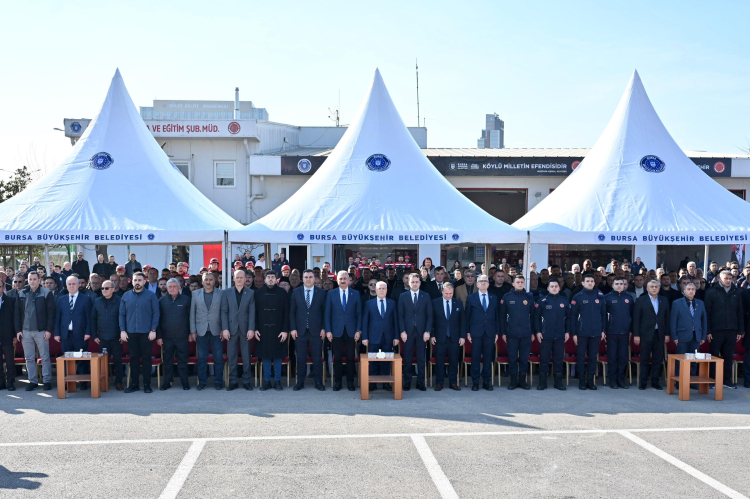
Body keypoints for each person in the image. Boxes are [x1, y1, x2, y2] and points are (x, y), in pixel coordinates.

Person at [14, 272, 56, 391]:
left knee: (45, 357)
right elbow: (17, 313)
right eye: (30, 279)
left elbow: (51, 313)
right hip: (25, 331)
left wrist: (48, 330)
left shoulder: (46, 293)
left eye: (34, 279)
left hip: (41, 331)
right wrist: (18, 330)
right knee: (29, 358)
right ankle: (33, 381)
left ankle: (47, 381)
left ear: (39, 280)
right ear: (27, 280)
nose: (32, 281)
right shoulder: (22, 293)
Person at [120, 272, 160, 393]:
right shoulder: (126, 296)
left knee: (147, 358)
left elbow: (156, 313)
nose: (137, 282)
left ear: (144, 281)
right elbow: (122, 314)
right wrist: (122, 330)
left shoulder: (151, 295)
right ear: (132, 281)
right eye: (135, 280)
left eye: (139, 280)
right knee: (134, 358)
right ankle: (135, 384)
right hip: (131, 332)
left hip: (147, 332)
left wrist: (153, 330)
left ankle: (147, 384)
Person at [704, 270, 744, 388]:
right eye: (726, 278)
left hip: (731, 330)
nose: (728, 281)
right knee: (714, 356)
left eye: (730, 279)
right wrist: (708, 331)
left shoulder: (736, 292)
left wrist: (740, 331)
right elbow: (707, 313)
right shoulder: (711, 292)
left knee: (728, 356)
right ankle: (712, 380)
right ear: (719, 279)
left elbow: (740, 312)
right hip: (716, 330)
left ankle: (727, 380)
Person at [325, 270, 362, 391]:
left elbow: (359, 314)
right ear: (337, 280)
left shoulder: (355, 294)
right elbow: (327, 314)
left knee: (351, 358)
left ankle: (350, 382)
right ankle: (338, 382)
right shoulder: (331, 294)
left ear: (349, 280)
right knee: (338, 358)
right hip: (336, 331)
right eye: (340, 279)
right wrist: (328, 330)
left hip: (351, 331)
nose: (343, 281)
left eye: (345, 278)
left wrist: (358, 330)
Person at [290, 269, 326, 391]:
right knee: (300, 358)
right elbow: (292, 312)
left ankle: (318, 382)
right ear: (302, 279)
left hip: (316, 331)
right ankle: (300, 382)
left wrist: (324, 328)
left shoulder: (321, 292)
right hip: (300, 331)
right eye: (306, 277)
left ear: (314, 279)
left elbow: (325, 312)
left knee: (317, 358)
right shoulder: (296, 292)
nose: (308, 279)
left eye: (311, 277)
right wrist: (293, 329)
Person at [54, 276, 93, 388]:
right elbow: (58, 318)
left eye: (74, 284)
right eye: (69, 284)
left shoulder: (86, 299)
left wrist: (88, 332)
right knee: (67, 359)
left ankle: (83, 383)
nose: (71, 286)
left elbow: (89, 318)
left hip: (81, 334)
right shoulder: (61, 299)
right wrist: (57, 333)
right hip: (66, 334)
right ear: (66, 285)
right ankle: (68, 383)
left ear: (78, 285)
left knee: (82, 360)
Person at [221, 270, 256, 391]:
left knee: (246, 355)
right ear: (234, 279)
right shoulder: (226, 292)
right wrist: (225, 328)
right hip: (231, 329)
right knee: (232, 355)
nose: (240, 279)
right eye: (237, 277)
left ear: (245, 279)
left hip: (246, 328)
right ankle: (233, 381)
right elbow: (224, 312)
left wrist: (251, 329)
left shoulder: (250, 293)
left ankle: (246, 381)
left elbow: (252, 312)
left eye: (242, 277)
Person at [254, 270, 289, 391]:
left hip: (279, 330)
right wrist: (255, 329)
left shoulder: (282, 292)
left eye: (272, 277)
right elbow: (254, 313)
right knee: (266, 356)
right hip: (262, 330)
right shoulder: (258, 293)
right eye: (268, 277)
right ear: (264, 280)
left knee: (278, 356)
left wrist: (285, 330)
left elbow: (286, 313)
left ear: (276, 279)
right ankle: (267, 381)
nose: (270, 279)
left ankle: (278, 381)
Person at [570, 273, 606, 391]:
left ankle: (590, 381)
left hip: (596, 332)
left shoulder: (600, 296)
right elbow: (573, 317)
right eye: (587, 281)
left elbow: (603, 315)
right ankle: (581, 381)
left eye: (592, 281)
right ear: (583, 283)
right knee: (581, 357)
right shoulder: (577, 297)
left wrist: (603, 330)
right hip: (582, 332)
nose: (590, 283)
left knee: (593, 357)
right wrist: (574, 333)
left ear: (594, 283)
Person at [397, 273, 433, 391]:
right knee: (407, 358)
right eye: (412, 282)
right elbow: (400, 315)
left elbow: (429, 315)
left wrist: (427, 331)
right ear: (409, 282)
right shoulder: (403, 296)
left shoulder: (426, 296)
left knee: (421, 358)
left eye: (417, 282)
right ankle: (407, 382)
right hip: (408, 332)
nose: (415, 284)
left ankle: (420, 382)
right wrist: (402, 331)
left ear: (420, 283)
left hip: (422, 332)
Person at [189, 272, 225, 390]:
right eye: (206, 280)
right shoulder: (195, 294)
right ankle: (202, 382)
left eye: (210, 279)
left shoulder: (221, 293)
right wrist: (193, 331)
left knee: (218, 358)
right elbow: (192, 314)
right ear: (202, 281)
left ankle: (218, 381)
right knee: (202, 358)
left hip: (217, 330)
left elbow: (223, 312)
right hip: (201, 330)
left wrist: (224, 328)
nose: (208, 282)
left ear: (215, 281)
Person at [361, 282, 399, 391]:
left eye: (383, 288)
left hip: (388, 337)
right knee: (372, 360)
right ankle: (372, 384)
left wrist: (396, 337)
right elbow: (365, 321)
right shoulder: (369, 303)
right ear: (376, 290)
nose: (381, 290)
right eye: (379, 288)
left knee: (386, 361)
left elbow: (395, 321)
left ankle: (386, 383)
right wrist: (365, 337)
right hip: (373, 337)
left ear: (387, 290)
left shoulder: (392, 303)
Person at [633, 279, 670, 390]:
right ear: (647, 288)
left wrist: (667, 334)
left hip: (659, 333)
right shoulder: (641, 300)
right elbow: (636, 319)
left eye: (656, 286)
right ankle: (643, 382)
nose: (654, 288)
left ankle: (655, 382)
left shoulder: (664, 300)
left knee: (657, 359)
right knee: (644, 359)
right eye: (652, 286)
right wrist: (636, 335)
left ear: (659, 288)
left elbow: (667, 318)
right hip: (645, 334)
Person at [500, 275, 534, 390]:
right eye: (518, 282)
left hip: (526, 333)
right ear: (513, 284)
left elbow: (533, 316)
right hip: (512, 333)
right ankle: (513, 381)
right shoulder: (507, 297)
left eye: (522, 282)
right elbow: (502, 317)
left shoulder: (529, 297)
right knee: (513, 358)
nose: (520, 284)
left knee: (524, 358)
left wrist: (533, 332)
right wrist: (503, 332)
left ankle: (523, 381)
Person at [534, 278, 569, 391]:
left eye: (556, 286)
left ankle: (558, 383)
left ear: (559, 288)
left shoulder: (564, 301)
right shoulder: (542, 301)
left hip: (560, 335)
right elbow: (536, 318)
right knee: (544, 359)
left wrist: (567, 331)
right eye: (552, 286)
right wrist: (538, 331)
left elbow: (569, 318)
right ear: (548, 288)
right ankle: (542, 383)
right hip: (545, 335)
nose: (554, 288)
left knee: (558, 360)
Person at [157, 278, 192, 391]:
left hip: (182, 336)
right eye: (170, 287)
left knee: (183, 361)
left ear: (179, 288)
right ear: (167, 288)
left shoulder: (186, 300)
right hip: (167, 337)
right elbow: (158, 320)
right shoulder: (161, 301)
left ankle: (184, 383)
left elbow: (190, 318)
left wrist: (191, 332)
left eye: (174, 286)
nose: (172, 289)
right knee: (167, 361)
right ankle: (167, 382)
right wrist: (159, 336)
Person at [465, 274, 499, 391]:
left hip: (490, 332)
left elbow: (497, 316)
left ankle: (486, 381)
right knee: (475, 357)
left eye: (485, 281)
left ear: (488, 284)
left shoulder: (494, 298)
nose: (483, 283)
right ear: (477, 284)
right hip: (475, 332)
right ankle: (475, 382)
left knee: (488, 358)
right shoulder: (471, 298)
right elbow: (467, 317)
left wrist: (496, 332)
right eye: (481, 281)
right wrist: (468, 332)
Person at [90, 280, 124, 390]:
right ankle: (104, 382)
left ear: (113, 289)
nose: (104, 290)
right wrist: (94, 335)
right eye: (102, 288)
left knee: (118, 360)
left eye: (106, 288)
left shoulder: (120, 301)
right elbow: (93, 319)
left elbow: (124, 317)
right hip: (103, 338)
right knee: (103, 361)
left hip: (117, 337)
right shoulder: (97, 301)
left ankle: (119, 382)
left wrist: (122, 334)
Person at [430, 282, 464, 391]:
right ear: (442, 291)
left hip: (454, 337)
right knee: (439, 361)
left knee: (454, 361)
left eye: (450, 293)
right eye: (446, 293)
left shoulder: (458, 303)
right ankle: (439, 383)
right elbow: (431, 320)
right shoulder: (435, 303)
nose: (448, 296)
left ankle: (453, 383)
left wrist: (462, 336)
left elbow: (462, 321)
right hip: (440, 337)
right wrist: (432, 335)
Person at [670, 282, 707, 382]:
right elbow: (673, 321)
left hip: (696, 336)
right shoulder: (677, 303)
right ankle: (680, 381)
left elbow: (704, 320)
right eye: (689, 289)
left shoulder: (700, 303)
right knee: (681, 360)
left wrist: (703, 336)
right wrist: (674, 336)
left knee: (693, 360)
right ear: (684, 291)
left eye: (693, 289)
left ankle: (692, 381)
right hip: (682, 336)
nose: (691, 291)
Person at [604, 277, 634, 389]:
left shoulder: (629, 298)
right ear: (612, 285)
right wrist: (604, 330)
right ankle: (612, 380)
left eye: (621, 283)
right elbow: (603, 316)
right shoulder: (607, 298)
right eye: (617, 284)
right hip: (611, 332)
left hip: (625, 332)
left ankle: (621, 379)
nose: (619, 285)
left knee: (623, 357)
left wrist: (631, 330)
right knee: (612, 357)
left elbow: (632, 315)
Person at [0, 286, 18, 390]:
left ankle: (11, 382)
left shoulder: (11, 300)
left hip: (8, 335)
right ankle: (1, 383)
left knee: (10, 361)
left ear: (3, 288)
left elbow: (15, 318)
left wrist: (15, 335)